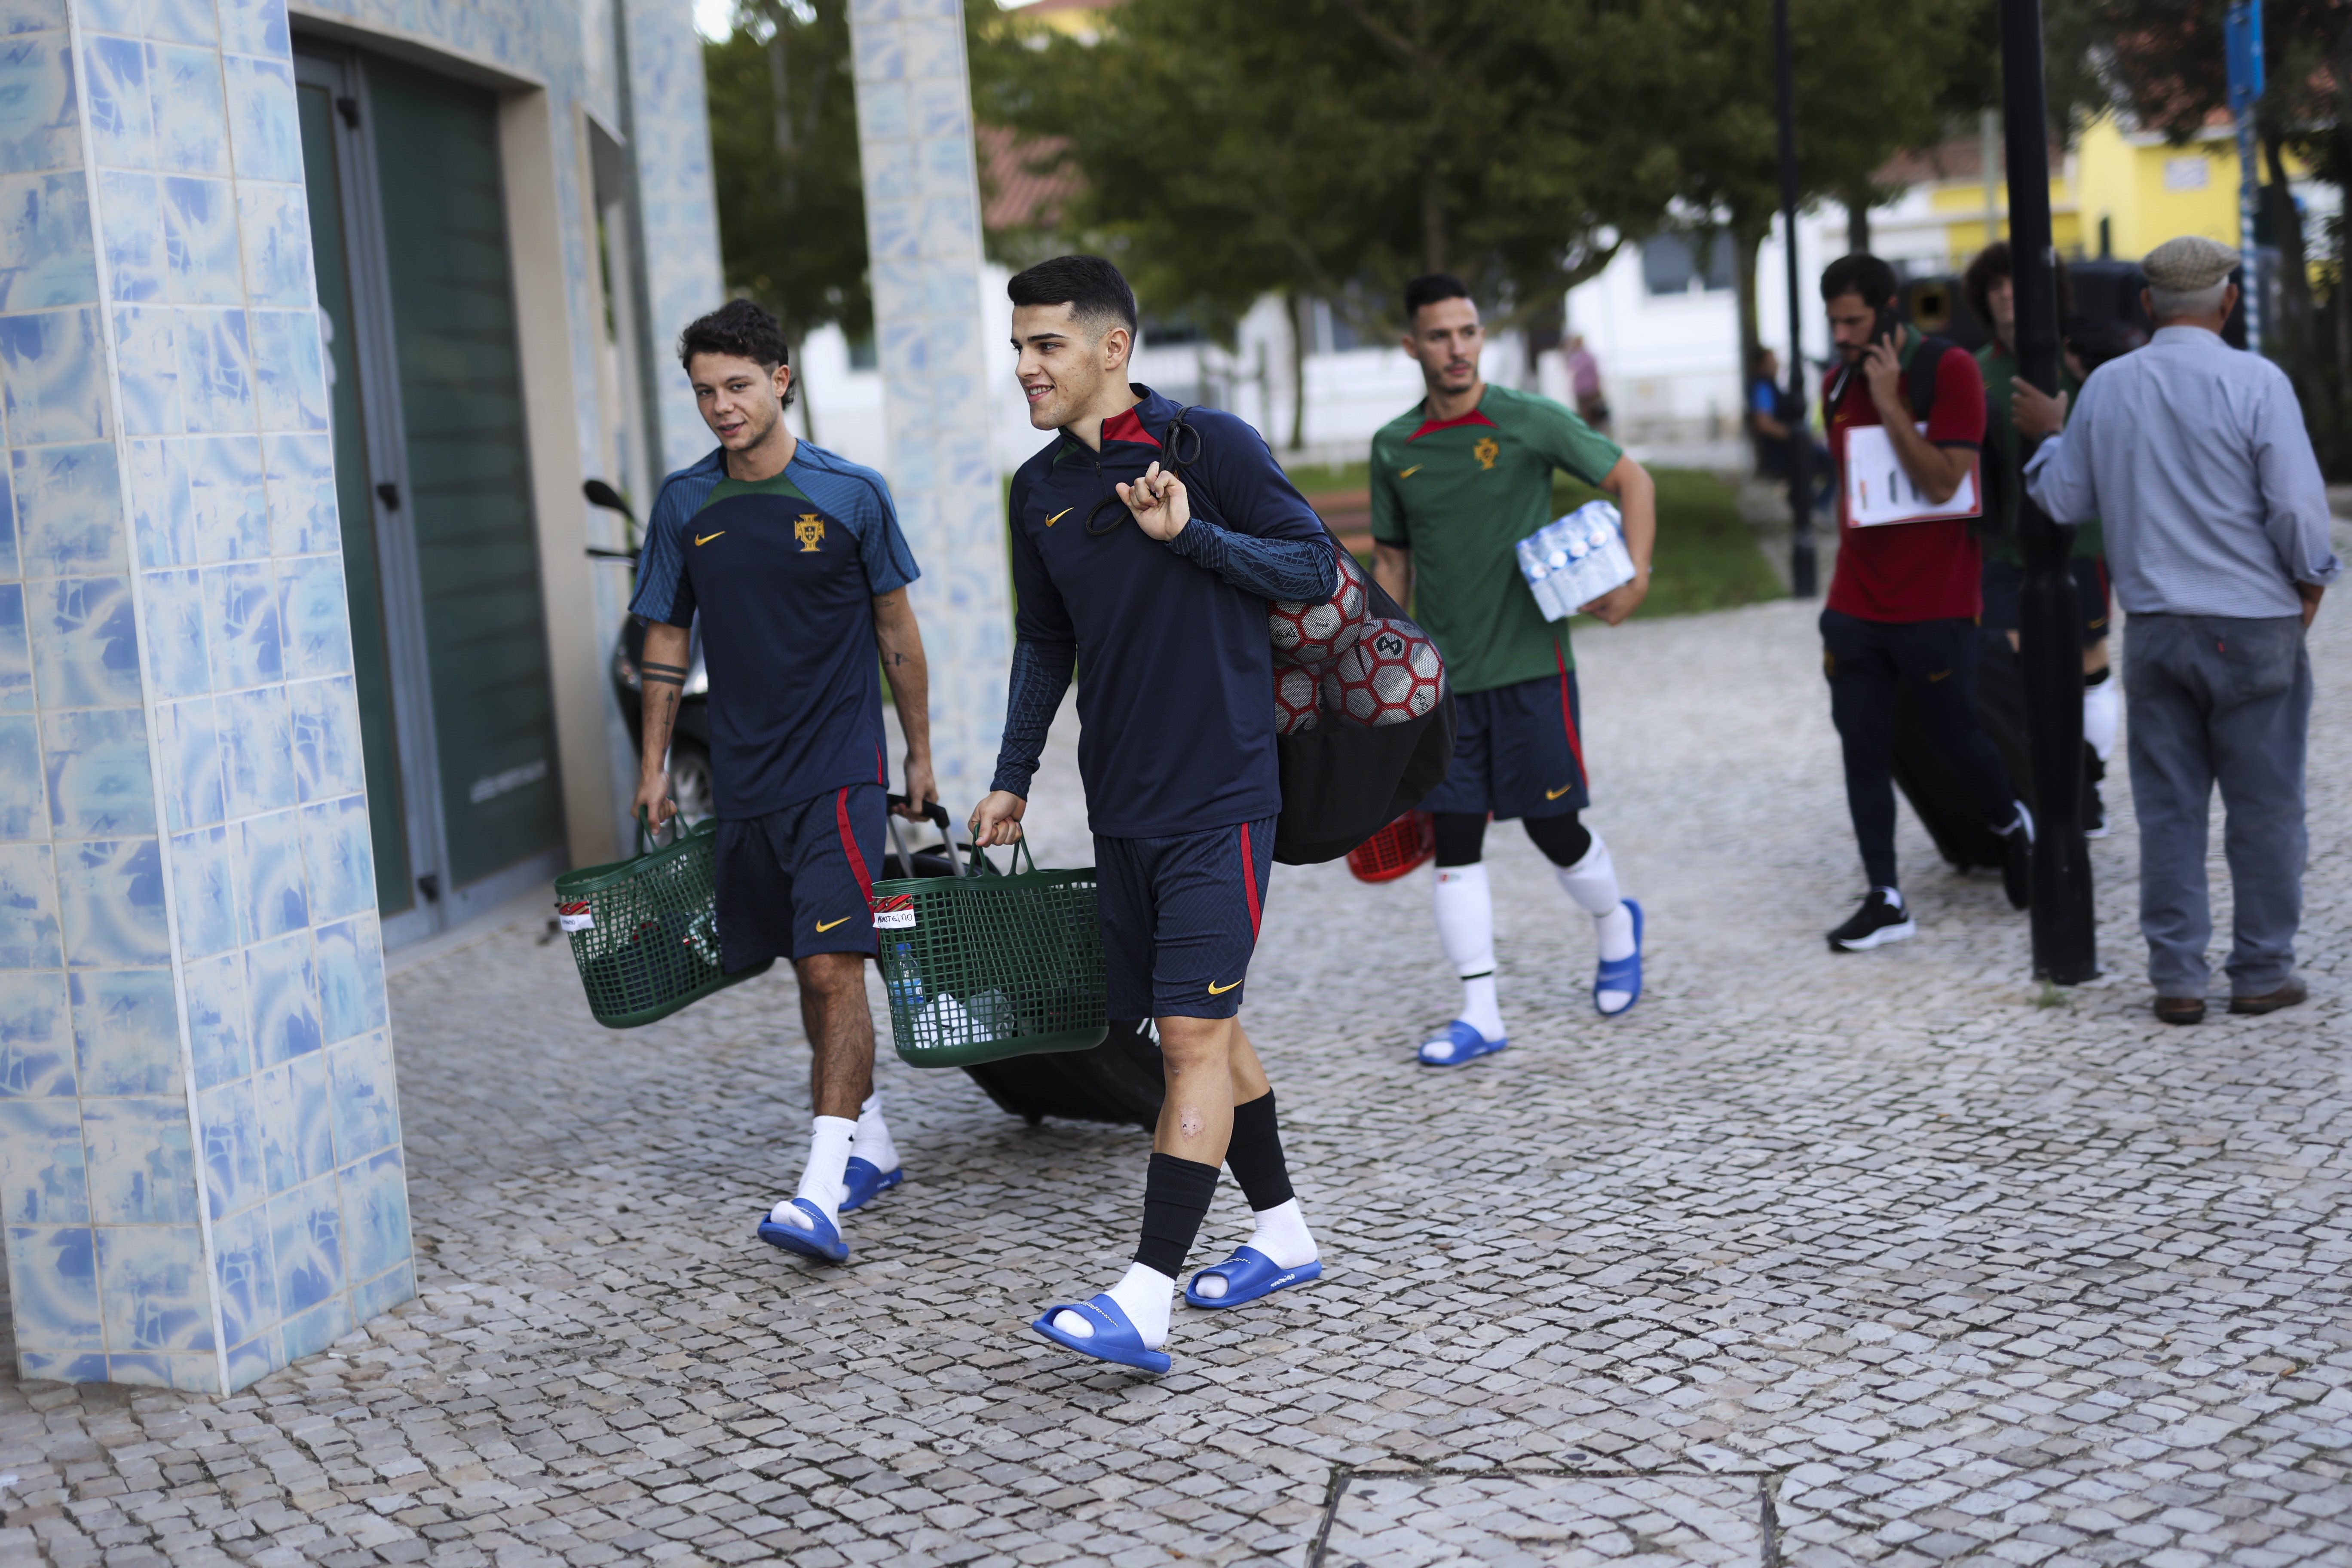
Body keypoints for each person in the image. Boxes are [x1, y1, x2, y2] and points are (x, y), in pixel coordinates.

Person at [970, 256, 1335, 1376]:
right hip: (1121, 800)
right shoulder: (1036, 491)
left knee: (1187, 1037)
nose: (1026, 365)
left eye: (1047, 346)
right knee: (1205, 1022)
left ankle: (1145, 1297)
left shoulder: (1204, 448)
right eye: (1020, 345)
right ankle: (1284, 1231)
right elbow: (1049, 642)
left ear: (1111, 349)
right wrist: (1015, 772)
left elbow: (1313, 565)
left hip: (1222, 792)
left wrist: (1195, 539)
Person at [630, 299, 935, 1265]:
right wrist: (652, 766)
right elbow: (666, 638)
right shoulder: (685, 504)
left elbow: (897, 633)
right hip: (745, 779)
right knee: (807, 966)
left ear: (781, 381)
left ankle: (820, 1194)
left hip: (841, 770)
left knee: (829, 964)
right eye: (705, 392)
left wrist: (919, 752)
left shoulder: (850, 494)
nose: (721, 407)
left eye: (738, 387)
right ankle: (868, 1144)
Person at [2018, 235, 2339, 1023]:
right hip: (2253, 622)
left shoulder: (2109, 388)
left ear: (2145, 305)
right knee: (2265, 808)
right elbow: (2297, 508)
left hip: (2156, 627)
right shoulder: (2257, 380)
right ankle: (2261, 970)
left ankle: (2178, 979)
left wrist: (2054, 435)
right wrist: (2309, 583)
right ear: (2227, 303)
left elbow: (2060, 501)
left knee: (2168, 809)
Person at [1369, 273, 1656, 1066]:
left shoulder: (1526, 420)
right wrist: (1382, 666)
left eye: (1466, 332)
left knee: (1553, 828)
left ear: (1479, 337)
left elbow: (1631, 478)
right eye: (1438, 335)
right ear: (1412, 346)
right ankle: (1480, 1011)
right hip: (1444, 685)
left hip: (1534, 671)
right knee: (1456, 840)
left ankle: (1615, 924)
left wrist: (1635, 577)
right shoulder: (1394, 446)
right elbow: (1391, 561)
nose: (1456, 348)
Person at [1815, 253, 2034, 951]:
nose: (1843, 335)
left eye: (1853, 320)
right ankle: (1885, 894)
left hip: (1936, 599)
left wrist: (1888, 405)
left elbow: (1944, 482)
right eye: (1833, 322)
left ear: (1887, 309)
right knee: (1862, 748)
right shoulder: (1833, 383)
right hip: (1855, 600)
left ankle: (2009, 823)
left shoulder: (1948, 372)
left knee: (1954, 737)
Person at [1964, 242, 2119, 836]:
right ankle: (2038, 788)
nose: (2007, 292)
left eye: (2017, 282)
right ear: (1982, 299)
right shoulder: (1973, 371)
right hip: (2002, 550)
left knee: (2088, 671)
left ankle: (2091, 788)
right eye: (1995, 284)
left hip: (2079, 544)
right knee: (2010, 670)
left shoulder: (2083, 360)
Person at [1747, 346, 1831, 510]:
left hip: (1786, 449)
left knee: (1826, 460)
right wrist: (1797, 436)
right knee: (1832, 462)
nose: (1776, 365)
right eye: (1771, 362)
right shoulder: (1763, 388)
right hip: (1782, 452)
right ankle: (1816, 508)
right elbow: (1763, 424)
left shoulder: (1768, 386)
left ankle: (1808, 504)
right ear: (1760, 365)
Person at [1566, 334, 1610, 431]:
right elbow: (1596, 374)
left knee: (1587, 417)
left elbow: (1572, 373)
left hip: (1584, 392)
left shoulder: (1575, 359)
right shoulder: (1588, 357)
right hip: (1589, 391)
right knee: (1591, 417)